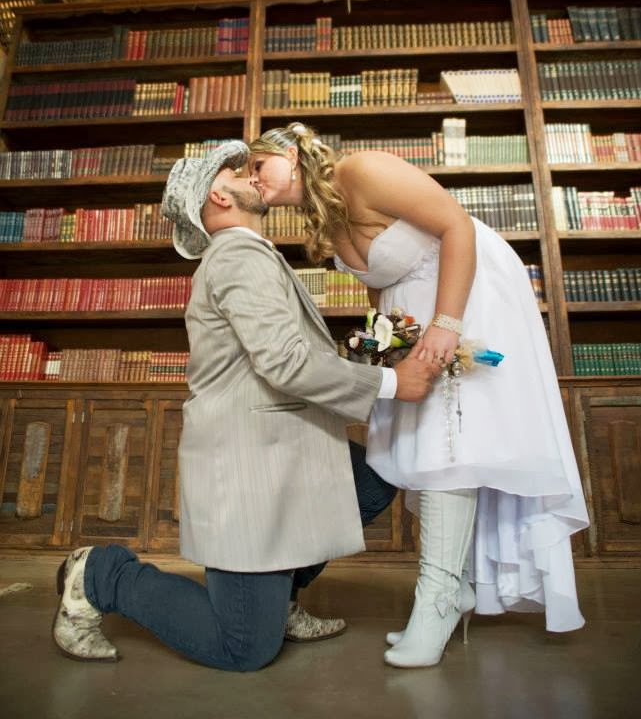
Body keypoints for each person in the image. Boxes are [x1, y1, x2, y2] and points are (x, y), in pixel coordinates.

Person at [52, 140, 436, 671]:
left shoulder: (249, 253)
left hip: (283, 444)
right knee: (243, 648)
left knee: (374, 478)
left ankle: (280, 600)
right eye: (237, 173)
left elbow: (286, 353)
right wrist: (392, 382)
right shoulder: (238, 256)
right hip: (251, 463)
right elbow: (285, 362)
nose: (252, 176)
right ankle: (101, 574)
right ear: (218, 195)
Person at [248, 121, 590, 669]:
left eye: (257, 166)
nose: (253, 180)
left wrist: (447, 323)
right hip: (414, 316)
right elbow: (381, 284)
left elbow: (457, 226)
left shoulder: (362, 170)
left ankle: (437, 601)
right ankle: (454, 589)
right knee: (425, 449)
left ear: (289, 153)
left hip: (468, 296)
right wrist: (385, 343)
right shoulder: (324, 213)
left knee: (448, 448)